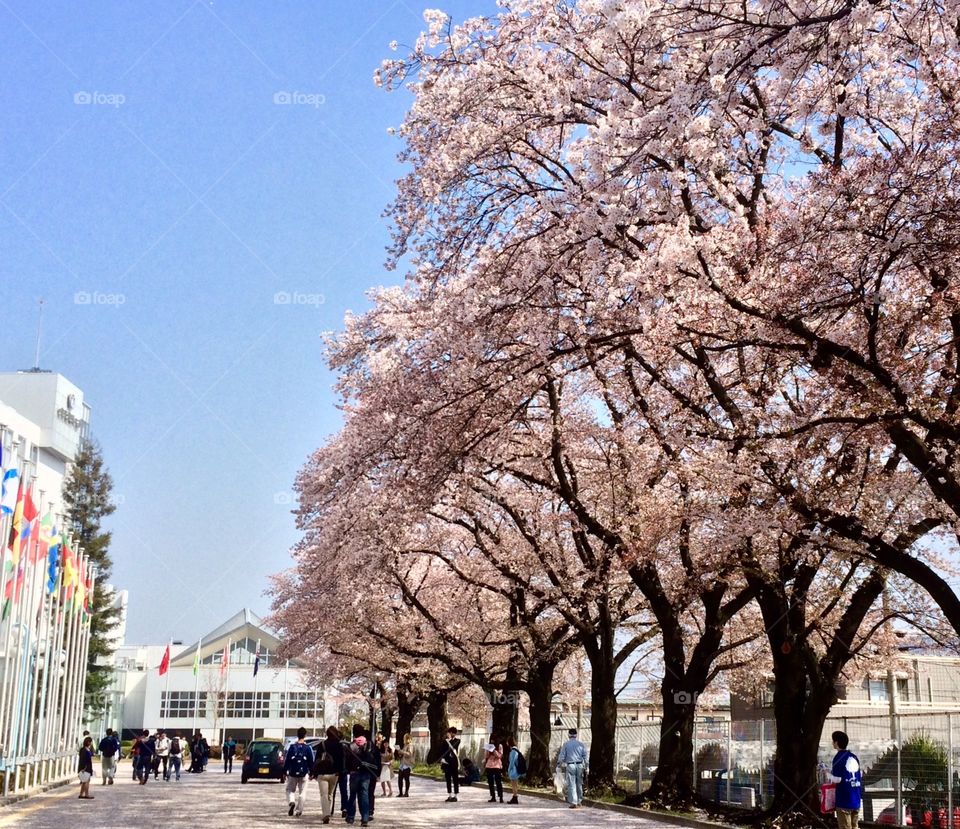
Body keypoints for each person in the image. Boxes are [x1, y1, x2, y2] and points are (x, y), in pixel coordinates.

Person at [345, 728, 379, 827]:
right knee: (364, 795)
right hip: (366, 774)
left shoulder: (351, 745)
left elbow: (347, 761)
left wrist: (348, 770)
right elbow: (374, 760)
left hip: (354, 773)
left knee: (352, 795)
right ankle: (365, 818)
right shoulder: (368, 745)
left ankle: (351, 817)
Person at [830, 730, 862, 829]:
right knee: (854, 826)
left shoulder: (838, 757)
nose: (832, 743)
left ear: (836, 743)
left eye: (833, 741)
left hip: (844, 800)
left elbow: (837, 779)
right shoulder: (854, 757)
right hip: (856, 799)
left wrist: (827, 775)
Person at [311, 725, 343, 824]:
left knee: (323, 795)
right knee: (330, 794)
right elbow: (341, 760)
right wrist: (340, 772)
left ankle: (326, 814)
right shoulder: (339, 745)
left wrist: (314, 772)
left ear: (327, 734)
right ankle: (328, 812)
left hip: (322, 773)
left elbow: (316, 760)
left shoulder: (322, 744)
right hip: (334, 773)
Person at [284, 726, 316, 817]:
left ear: (297, 735)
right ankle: (299, 810)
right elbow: (311, 761)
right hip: (304, 773)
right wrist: (312, 773)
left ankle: (291, 801)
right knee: (303, 792)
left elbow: (287, 760)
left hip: (292, 773)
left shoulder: (292, 747)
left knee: (290, 790)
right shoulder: (308, 748)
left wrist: (284, 771)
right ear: (305, 735)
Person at [556, 728, 588, 809]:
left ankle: (574, 802)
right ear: (576, 735)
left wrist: (559, 764)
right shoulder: (581, 744)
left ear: (569, 735)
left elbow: (562, 756)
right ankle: (579, 801)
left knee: (571, 784)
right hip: (580, 765)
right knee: (579, 784)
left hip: (570, 765)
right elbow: (585, 756)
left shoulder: (566, 744)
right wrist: (587, 766)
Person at [439, 726, 461, 802]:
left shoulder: (457, 740)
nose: (449, 734)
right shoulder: (445, 741)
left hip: (454, 762)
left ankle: (455, 795)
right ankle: (449, 795)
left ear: (453, 733)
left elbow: (454, 746)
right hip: (447, 762)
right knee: (448, 779)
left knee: (455, 779)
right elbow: (442, 750)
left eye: (451, 733)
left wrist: (449, 740)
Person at [484, 735, 504, 803]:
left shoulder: (500, 746)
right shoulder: (489, 745)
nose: (492, 741)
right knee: (490, 782)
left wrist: (494, 750)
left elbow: (500, 756)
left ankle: (501, 797)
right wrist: (488, 751)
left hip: (497, 766)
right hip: (489, 765)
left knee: (498, 782)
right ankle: (493, 796)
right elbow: (486, 756)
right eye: (491, 739)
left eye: (493, 740)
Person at [505, 736, 524, 804]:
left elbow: (512, 762)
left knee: (514, 785)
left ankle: (515, 797)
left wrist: (508, 770)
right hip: (516, 770)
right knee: (515, 784)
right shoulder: (516, 750)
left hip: (514, 770)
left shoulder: (513, 751)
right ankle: (515, 797)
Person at [396, 734, 414, 798]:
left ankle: (406, 792)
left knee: (406, 779)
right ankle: (400, 792)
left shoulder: (410, 745)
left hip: (407, 764)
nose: (404, 739)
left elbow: (409, 754)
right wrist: (399, 753)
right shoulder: (405, 745)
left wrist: (402, 752)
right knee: (400, 779)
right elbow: (403, 754)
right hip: (402, 764)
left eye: (405, 738)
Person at [78, 735, 95, 799]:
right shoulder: (85, 750)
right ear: (88, 742)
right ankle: (86, 794)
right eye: (90, 742)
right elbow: (84, 760)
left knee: (84, 781)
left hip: (87, 767)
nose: (91, 743)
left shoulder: (84, 749)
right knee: (87, 781)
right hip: (85, 767)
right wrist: (84, 768)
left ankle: (81, 794)